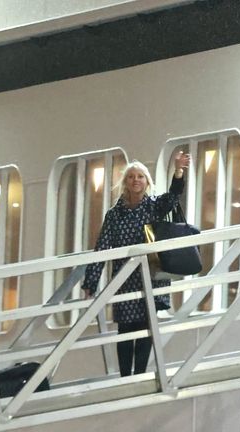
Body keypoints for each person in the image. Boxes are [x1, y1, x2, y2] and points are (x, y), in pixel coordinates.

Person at [82, 152, 190, 376]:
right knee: (126, 327)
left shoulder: (154, 207)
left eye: (140, 176)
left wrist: (178, 171)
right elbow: (102, 246)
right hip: (125, 277)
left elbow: (172, 197)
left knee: (145, 325)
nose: (136, 180)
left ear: (147, 182)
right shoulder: (114, 215)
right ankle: (125, 375)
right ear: (125, 183)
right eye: (131, 176)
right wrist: (90, 282)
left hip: (149, 275)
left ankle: (139, 373)